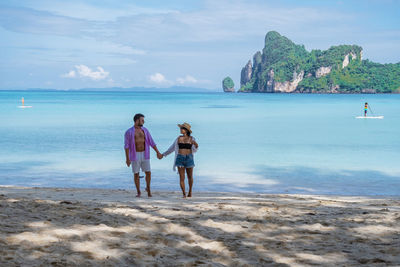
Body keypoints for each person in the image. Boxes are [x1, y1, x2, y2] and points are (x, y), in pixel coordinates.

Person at [124, 113, 163, 197]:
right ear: (137, 120)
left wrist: (158, 152)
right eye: (142, 120)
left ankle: (148, 188)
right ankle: (138, 192)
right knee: (136, 173)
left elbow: (151, 142)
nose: (143, 122)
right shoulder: (129, 132)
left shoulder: (145, 130)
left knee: (148, 173)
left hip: (145, 154)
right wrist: (127, 159)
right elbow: (126, 146)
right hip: (135, 155)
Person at [160, 122, 198, 198]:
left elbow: (195, 149)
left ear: (186, 130)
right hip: (180, 158)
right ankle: (184, 194)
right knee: (182, 177)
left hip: (189, 158)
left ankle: (190, 191)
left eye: (182, 128)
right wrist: (163, 154)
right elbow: (172, 148)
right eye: (181, 128)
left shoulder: (192, 138)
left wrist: (196, 145)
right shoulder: (178, 138)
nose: (180, 130)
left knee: (190, 176)